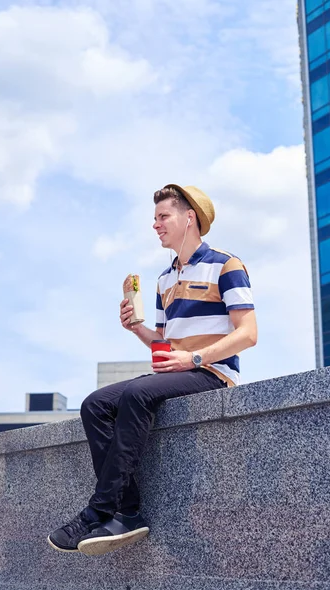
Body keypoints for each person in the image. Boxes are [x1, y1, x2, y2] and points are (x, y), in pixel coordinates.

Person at [48, 184, 257, 557]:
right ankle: (128, 511)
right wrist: (137, 329)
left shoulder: (227, 265)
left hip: (212, 374)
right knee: (94, 404)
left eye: (163, 217)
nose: (155, 224)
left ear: (188, 217)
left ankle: (98, 511)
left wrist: (194, 359)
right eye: (155, 217)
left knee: (137, 392)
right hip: (177, 373)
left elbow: (248, 334)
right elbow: (163, 344)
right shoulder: (164, 279)